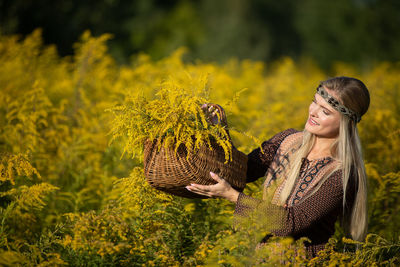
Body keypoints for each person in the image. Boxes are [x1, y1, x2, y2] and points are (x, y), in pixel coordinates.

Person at [186, 76, 370, 257]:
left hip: (303, 261)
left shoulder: (342, 174)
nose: (313, 112)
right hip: (260, 258)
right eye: (314, 102)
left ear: (347, 122)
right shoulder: (287, 140)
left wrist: (232, 196)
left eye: (325, 111)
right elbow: (243, 171)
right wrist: (219, 132)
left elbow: (291, 223)